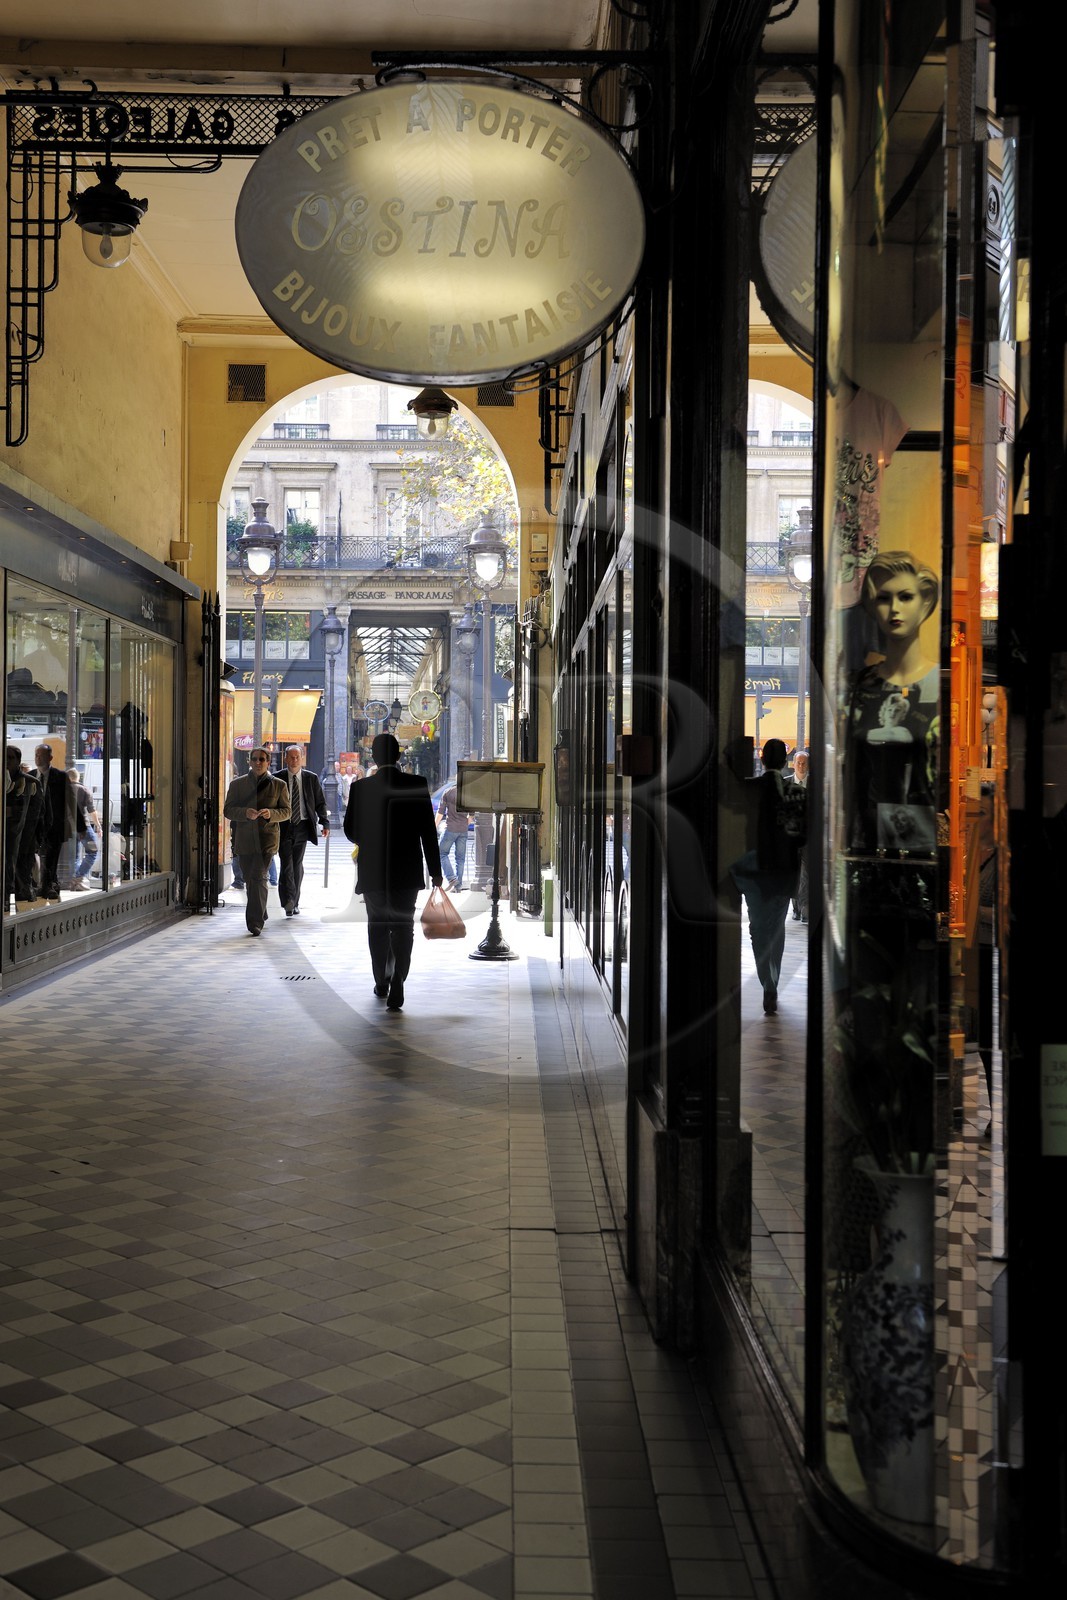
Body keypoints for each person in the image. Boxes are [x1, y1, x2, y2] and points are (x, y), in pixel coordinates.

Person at [845, 551, 940, 853]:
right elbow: (851, 772)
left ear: (925, 602)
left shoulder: (940, 685)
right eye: (884, 598)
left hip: (918, 847)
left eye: (906, 597)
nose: (894, 609)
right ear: (872, 606)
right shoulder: (860, 685)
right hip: (864, 846)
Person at [343, 731, 442, 1011]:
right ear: (399, 756)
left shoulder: (361, 789)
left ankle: (382, 980)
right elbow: (428, 834)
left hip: (373, 871)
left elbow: (351, 832)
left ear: (373, 757)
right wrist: (435, 871)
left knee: (377, 925)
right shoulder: (417, 784)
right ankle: (399, 977)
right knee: (402, 926)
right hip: (406, 871)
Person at [731, 737, 805, 1015]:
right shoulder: (795, 791)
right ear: (786, 762)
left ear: (762, 760)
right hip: (785, 870)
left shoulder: (748, 789)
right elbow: (802, 834)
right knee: (776, 926)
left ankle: (769, 983)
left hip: (755, 871)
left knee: (759, 930)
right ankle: (772, 981)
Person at [223, 747, 290, 936]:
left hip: (266, 840)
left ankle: (255, 922)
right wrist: (245, 813)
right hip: (244, 840)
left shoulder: (279, 785)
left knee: (259, 876)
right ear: (249, 761)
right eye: (255, 759)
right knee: (250, 879)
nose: (258, 762)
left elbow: (286, 811)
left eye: (262, 759)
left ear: (268, 762)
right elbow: (228, 810)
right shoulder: (237, 785)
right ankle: (261, 910)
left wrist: (271, 814)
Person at [275, 744, 329, 916]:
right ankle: (288, 900)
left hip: (303, 826)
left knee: (297, 865)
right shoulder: (277, 779)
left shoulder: (311, 779)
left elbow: (320, 802)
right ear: (285, 758)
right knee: (286, 864)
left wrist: (325, 822)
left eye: (297, 757)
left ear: (302, 758)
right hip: (283, 826)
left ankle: (293, 902)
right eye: (291, 757)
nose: (294, 760)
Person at [34, 743, 75, 901]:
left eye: (42, 755)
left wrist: (79, 826)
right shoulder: (31, 775)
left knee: (51, 857)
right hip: (36, 828)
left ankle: (47, 886)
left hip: (56, 826)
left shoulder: (60, 776)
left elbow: (70, 801)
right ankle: (48, 884)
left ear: (50, 757)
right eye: (36, 755)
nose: (38, 758)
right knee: (40, 858)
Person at [4, 746, 43, 910]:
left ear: (18, 761)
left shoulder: (30, 782)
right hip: (8, 835)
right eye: (4, 757)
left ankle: (10, 895)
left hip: (21, 836)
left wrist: (38, 839)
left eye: (10, 758)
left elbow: (39, 814)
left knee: (14, 865)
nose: (6, 761)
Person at [436, 778, 473, 891]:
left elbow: (440, 813)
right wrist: (463, 825)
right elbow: (471, 816)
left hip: (450, 829)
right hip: (463, 830)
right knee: (460, 859)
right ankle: (458, 886)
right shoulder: (469, 795)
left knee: (441, 853)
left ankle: (451, 878)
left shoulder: (448, 792)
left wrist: (434, 826)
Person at [67, 767, 101, 891]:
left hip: (69, 829)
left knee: (74, 856)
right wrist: (98, 825)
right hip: (84, 828)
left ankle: (75, 883)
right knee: (93, 852)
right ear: (78, 777)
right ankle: (78, 878)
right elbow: (92, 811)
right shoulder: (84, 790)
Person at [791, 749, 810, 922]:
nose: (801, 766)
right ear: (793, 765)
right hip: (790, 838)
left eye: (804, 763)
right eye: (799, 763)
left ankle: (804, 909)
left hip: (808, 838)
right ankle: (796, 907)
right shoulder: (786, 784)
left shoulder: (816, 784)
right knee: (794, 873)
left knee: (805, 873)